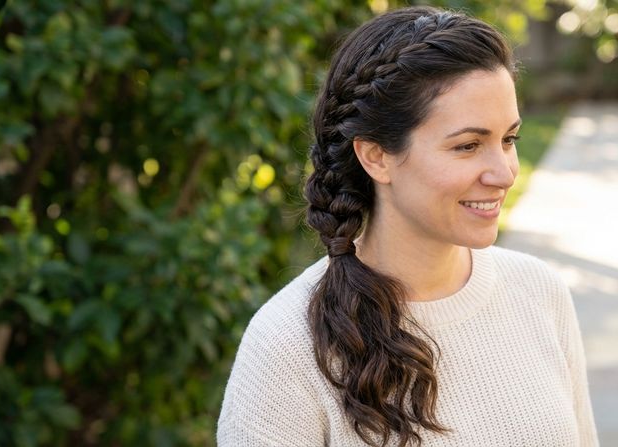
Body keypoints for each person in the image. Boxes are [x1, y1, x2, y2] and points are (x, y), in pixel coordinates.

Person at [217, 6, 598, 447]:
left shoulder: (539, 293)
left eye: (508, 139)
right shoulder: (286, 349)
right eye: (468, 145)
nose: (505, 172)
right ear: (376, 156)